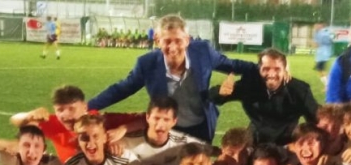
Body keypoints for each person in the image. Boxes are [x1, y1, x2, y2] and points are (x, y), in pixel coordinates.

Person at [87, 15, 256, 142]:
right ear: (157, 40)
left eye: (178, 40)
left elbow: (233, 65)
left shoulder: (203, 52)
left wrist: (265, 69)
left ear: (187, 40)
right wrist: (88, 107)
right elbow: (122, 88)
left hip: (202, 126)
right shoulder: (147, 63)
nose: (173, 47)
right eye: (167, 41)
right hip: (168, 129)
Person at [210, 48, 319, 147]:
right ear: (259, 69)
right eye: (266, 69)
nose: (271, 74)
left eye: (277, 69)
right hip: (255, 143)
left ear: (285, 70)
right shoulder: (249, 85)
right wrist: (220, 93)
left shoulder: (299, 90)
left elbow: (317, 119)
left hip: (287, 144)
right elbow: (211, 96)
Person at [10, 85, 146, 163]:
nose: (66, 115)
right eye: (60, 110)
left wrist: (123, 129)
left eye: (72, 109)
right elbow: (15, 120)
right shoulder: (53, 123)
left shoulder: (98, 120)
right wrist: (29, 115)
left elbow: (147, 119)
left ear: (85, 107)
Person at [119, 96, 207, 165]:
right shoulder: (128, 139)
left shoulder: (182, 141)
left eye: (166, 119)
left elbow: (208, 149)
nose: (160, 125)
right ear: (147, 117)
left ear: (174, 121)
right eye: (156, 118)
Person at [312, 22, 333, 88]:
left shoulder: (318, 33)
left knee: (321, 70)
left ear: (320, 26)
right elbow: (332, 40)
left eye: (316, 26)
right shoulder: (328, 32)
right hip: (326, 54)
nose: (315, 27)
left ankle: (328, 85)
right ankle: (328, 84)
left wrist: (312, 43)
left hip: (321, 55)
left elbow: (316, 45)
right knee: (321, 70)